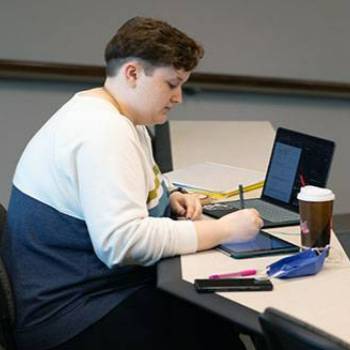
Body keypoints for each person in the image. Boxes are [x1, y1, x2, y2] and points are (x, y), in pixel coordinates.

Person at [1, 17, 263, 350]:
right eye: (171, 84)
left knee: (213, 316)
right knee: (214, 322)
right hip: (74, 319)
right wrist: (224, 231)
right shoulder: (102, 132)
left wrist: (171, 199)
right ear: (133, 73)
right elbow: (122, 243)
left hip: (90, 294)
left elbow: (134, 190)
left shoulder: (118, 115)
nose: (179, 97)